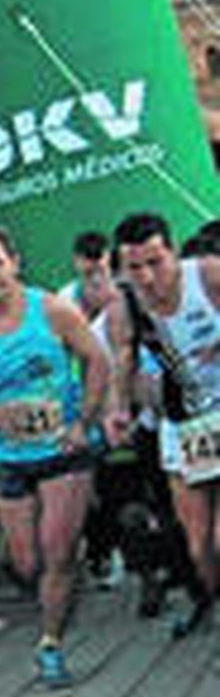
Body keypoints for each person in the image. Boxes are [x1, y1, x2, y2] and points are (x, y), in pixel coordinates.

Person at [0, 228, 108, 688]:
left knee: (56, 550)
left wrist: (84, 421)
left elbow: (97, 360)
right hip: (8, 456)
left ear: (14, 263)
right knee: (26, 563)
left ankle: (50, 644)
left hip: (62, 449)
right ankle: (65, 579)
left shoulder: (51, 310)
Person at [107, 211, 220, 633]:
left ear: (173, 253)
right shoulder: (125, 306)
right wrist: (119, 408)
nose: (146, 276)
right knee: (199, 545)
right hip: (183, 423)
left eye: (155, 262)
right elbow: (122, 360)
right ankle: (209, 600)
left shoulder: (207, 276)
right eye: (134, 267)